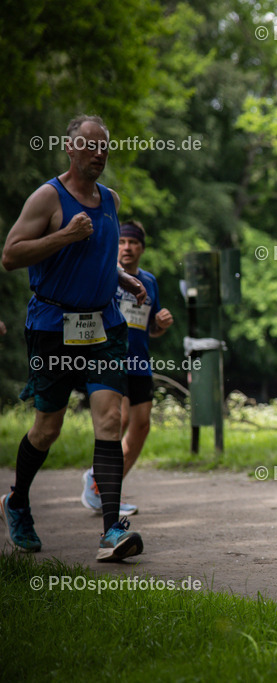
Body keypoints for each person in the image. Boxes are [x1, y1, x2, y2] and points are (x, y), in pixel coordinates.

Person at [1, 115, 144, 561]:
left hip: (103, 326)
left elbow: (98, 254)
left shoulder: (111, 201)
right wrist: (64, 234)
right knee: (48, 429)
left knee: (108, 418)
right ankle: (17, 501)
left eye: (105, 147)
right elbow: (10, 255)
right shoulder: (48, 196)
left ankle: (111, 532)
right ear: (69, 147)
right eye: (89, 146)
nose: (98, 154)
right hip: (52, 328)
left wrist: (123, 277)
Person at [81, 221, 173, 515]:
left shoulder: (149, 281)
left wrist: (160, 325)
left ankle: (102, 485)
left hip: (139, 362)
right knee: (117, 420)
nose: (127, 247)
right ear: (115, 246)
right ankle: (102, 488)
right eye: (122, 242)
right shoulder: (106, 276)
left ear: (142, 249)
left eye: (133, 243)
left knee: (142, 425)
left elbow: (150, 330)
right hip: (110, 359)